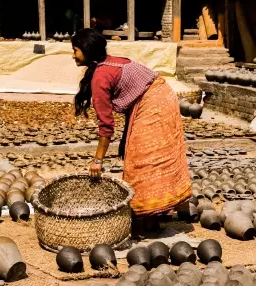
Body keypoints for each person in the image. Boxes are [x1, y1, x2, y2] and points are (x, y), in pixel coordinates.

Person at [71, 28, 192, 236]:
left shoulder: (101, 75)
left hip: (157, 102)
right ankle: (149, 218)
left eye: (75, 50)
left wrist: (98, 160)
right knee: (136, 155)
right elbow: (130, 102)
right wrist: (126, 137)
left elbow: (106, 126)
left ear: (87, 50)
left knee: (143, 161)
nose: (73, 55)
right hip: (153, 98)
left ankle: (147, 217)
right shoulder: (107, 65)